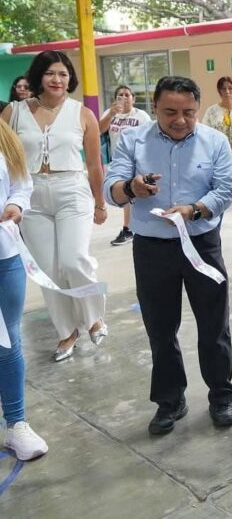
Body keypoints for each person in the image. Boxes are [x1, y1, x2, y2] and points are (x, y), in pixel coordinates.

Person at [104, 76, 232, 435]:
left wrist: (195, 209)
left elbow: (226, 190)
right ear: (155, 109)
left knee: (214, 324)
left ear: (197, 109)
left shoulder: (215, 141)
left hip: (202, 243)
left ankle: (221, 396)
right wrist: (131, 188)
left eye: (188, 113)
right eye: (170, 113)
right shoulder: (134, 140)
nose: (180, 120)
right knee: (160, 329)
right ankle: (170, 400)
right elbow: (110, 189)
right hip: (152, 248)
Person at [0, 51, 108, 362]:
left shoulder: (81, 113)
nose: (57, 79)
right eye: (50, 73)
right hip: (30, 196)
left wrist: (100, 202)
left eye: (62, 74)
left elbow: (94, 163)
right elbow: (3, 160)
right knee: (48, 269)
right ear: (38, 77)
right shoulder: (13, 112)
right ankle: (66, 332)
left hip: (71, 191)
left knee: (74, 261)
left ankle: (94, 318)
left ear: (69, 78)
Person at [0, 119, 48, 460]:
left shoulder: (5, 136)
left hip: (6, 255)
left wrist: (16, 206)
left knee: (8, 339)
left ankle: (16, 424)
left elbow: (21, 184)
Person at [99, 85, 151, 246]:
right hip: (117, 160)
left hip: (136, 159)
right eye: (120, 94)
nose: (124, 97)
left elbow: (149, 136)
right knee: (126, 194)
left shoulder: (141, 115)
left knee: (130, 192)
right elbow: (99, 130)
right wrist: (112, 114)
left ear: (133, 98)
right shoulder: (110, 113)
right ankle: (132, 228)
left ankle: (129, 228)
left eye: (127, 94)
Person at [202, 76, 232, 157]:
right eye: (223, 89)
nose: (227, 91)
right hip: (218, 155)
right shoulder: (211, 111)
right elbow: (205, 134)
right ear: (219, 91)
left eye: (230, 88)